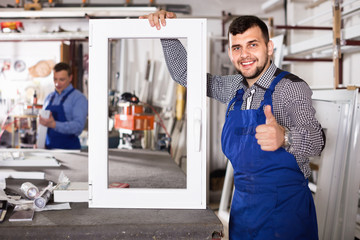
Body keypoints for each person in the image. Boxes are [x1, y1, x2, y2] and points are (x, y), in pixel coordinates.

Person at [140, 10, 326, 239]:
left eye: (253, 45)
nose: (244, 54)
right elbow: (186, 75)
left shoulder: (289, 88)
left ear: (269, 48)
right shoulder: (234, 88)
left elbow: (317, 140)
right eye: (237, 47)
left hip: (285, 215)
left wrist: (285, 137)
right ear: (230, 52)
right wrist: (167, 32)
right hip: (243, 212)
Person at [39, 62, 88, 149]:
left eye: (62, 79)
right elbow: (43, 124)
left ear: (70, 78)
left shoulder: (78, 98)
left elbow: (78, 127)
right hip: (48, 149)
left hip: (70, 151)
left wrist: (54, 125)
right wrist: (39, 143)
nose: (57, 83)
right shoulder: (49, 98)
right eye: (55, 79)